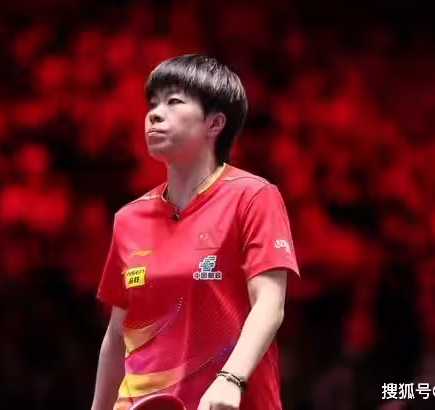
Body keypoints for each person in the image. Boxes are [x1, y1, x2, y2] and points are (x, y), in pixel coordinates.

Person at [91, 54, 300, 410]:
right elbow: (116, 335)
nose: (154, 114)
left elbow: (269, 303)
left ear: (214, 123)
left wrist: (231, 379)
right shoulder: (129, 218)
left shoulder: (253, 197)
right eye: (152, 104)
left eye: (173, 102)